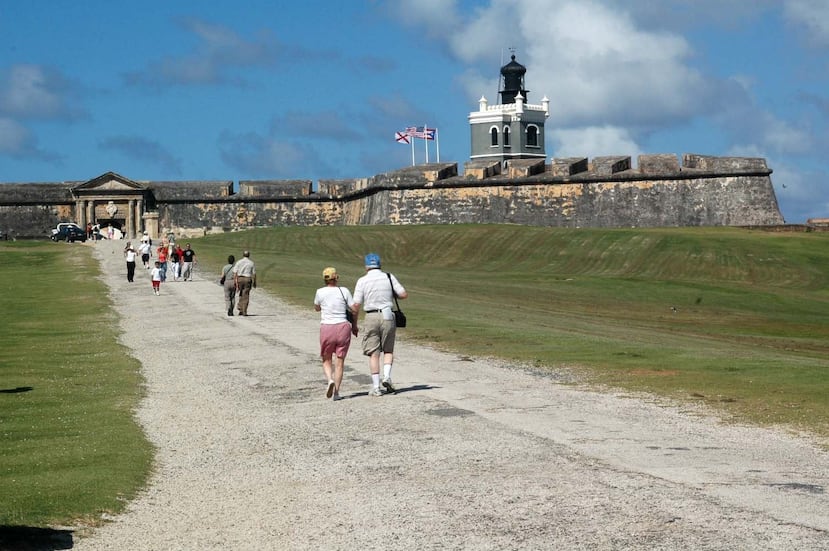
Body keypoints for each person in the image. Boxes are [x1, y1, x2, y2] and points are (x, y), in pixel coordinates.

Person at [351, 253, 408, 397]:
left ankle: (376, 387)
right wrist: (390, 294)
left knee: (373, 353)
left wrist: (354, 323)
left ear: (366, 267)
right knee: (388, 350)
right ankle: (387, 376)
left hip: (371, 315)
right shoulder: (388, 277)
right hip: (388, 315)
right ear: (379, 264)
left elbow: (356, 304)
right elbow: (403, 294)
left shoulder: (362, 280)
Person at [314, 267, 358, 401]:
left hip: (327, 327)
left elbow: (316, 308)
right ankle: (337, 393)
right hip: (343, 327)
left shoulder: (320, 292)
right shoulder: (344, 290)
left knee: (326, 359)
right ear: (336, 278)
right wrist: (354, 326)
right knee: (340, 361)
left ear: (324, 279)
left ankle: (329, 380)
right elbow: (354, 309)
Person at [232, 250, 256, 316]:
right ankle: (244, 310)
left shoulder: (239, 262)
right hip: (247, 279)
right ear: (249, 255)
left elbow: (235, 272)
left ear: (243, 255)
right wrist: (254, 282)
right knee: (246, 295)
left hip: (240, 278)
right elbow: (254, 273)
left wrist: (235, 281)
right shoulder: (251, 263)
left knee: (241, 293)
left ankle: (240, 308)